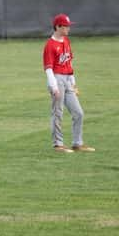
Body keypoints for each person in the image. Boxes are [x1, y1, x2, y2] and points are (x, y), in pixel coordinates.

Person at [43, 14, 95, 153]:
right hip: (57, 79)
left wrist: (73, 82)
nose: (69, 28)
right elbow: (48, 68)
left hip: (67, 79)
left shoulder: (66, 40)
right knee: (57, 113)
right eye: (66, 26)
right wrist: (53, 86)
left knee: (78, 113)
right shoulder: (50, 45)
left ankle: (77, 143)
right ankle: (58, 145)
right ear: (58, 26)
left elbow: (69, 62)